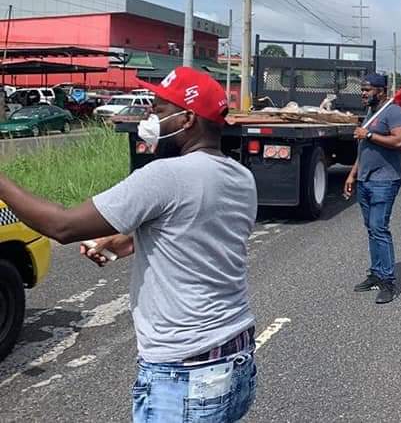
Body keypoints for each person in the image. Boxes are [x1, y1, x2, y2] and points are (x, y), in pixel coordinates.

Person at [0, 67, 257, 422]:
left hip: (183, 370)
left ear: (189, 119)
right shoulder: (241, 177)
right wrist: (131, 241)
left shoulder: (164, 176)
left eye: (159, 110)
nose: (150, 119)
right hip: (236, 354)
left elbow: (61, 226)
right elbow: (199, 232)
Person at [345, 73, 401, 305]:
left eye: (368, 89)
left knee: (379, 227)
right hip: (365, 179)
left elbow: (399, 141)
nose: (363, 93)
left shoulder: (394, 112)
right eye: (362, 89)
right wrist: (352, 175)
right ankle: (376, 273)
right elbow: (364, 149)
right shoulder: (372, 113)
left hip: (385, 179)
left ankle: (388, 281)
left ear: (381, 91)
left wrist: (369, 134)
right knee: (371, 229)